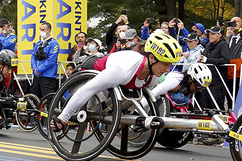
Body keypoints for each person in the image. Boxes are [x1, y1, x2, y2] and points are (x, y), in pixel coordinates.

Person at [52, 32, 183, 130]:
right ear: (152, 58)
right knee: (91, 95)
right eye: (166, 64)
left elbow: (137, 100)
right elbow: (87, 89)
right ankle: (64, 114)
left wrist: (128, 116)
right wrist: (63, 119)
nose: (167, 69)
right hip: (89, 69)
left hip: (116, 83)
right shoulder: (123, 70)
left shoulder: (153, 75)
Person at [29, 21, 60, 100]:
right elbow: (33, 56)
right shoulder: (38, 43)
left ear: (49, 30)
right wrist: (34, 67)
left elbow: (51, 61)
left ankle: (50, 112)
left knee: (49, 99)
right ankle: (36, 112)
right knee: (34, 97)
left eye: (43, 29)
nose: (41, 31)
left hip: (48, 76)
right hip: (37, 75)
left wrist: (39, 69)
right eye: (41, 29)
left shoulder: (54, 44)